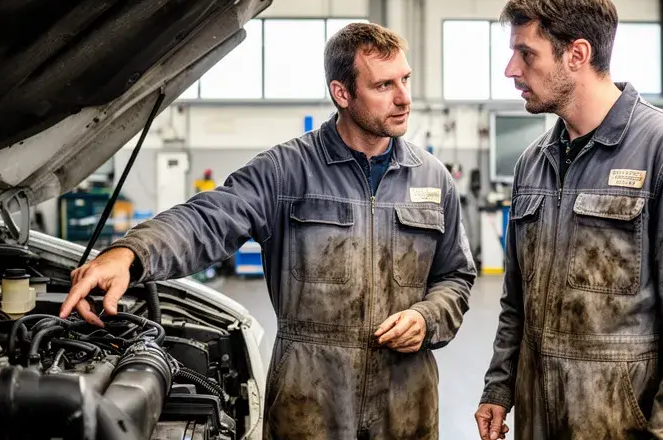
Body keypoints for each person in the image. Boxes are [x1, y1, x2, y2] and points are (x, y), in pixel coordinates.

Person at [60, 22, 477, 439]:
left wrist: (427, 318)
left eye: (405, 79)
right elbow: (209, 219)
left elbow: (455, 277)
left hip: (406, 401)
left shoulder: (433, 178)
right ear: (343, 93)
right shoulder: (286, 172)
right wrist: (131, 254)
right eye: (384, 85)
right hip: (310, 400)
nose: (404, 98)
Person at [474, 0, 663, 440]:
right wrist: (499, 388)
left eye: (526, 53)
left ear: (577, 54)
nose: (510, 70)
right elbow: (517, 302)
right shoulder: (532, 165)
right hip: (540, 424)